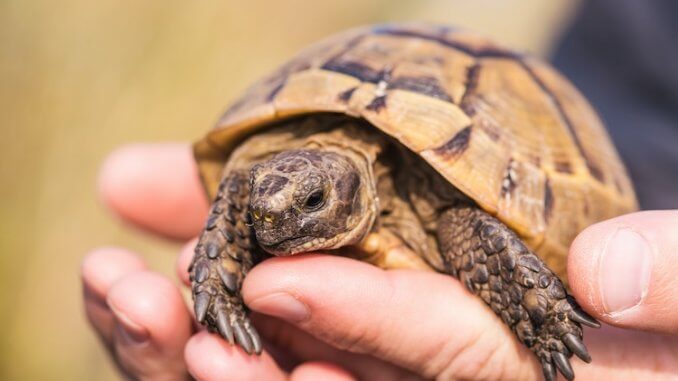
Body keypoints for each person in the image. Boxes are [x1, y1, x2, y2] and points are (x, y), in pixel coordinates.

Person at [82, 144, 678, 380]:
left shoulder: (444, 214)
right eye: (263, 208)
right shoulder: (257, 193)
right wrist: (215, 281)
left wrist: (547, 320)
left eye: (312, 202)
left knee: (476, 237)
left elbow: (473, 226)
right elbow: (241, 191)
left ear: (354, 189)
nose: (275, 222)